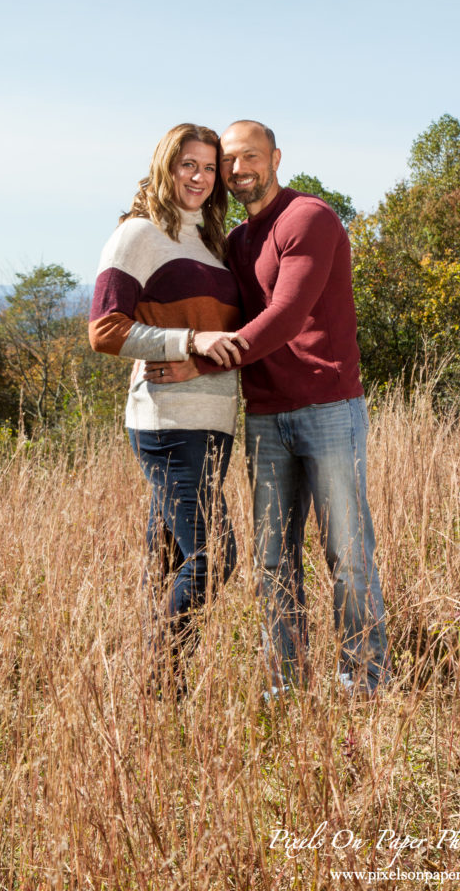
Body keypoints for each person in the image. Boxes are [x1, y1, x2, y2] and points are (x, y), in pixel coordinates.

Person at [148, 120, 391, 697]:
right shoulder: (236, 242)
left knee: (347, 553)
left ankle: (364, 679)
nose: (236, 171)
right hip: (264, 415)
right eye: (227, 162)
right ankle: (287, 682)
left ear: (276, 157)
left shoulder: (309, 218)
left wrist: (197, 363)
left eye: (249, 157)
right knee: (274, 558)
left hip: (327, 406)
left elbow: (284, 317)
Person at [89, 123, 247, 696]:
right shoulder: (137, 234)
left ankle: (158, 710)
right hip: (165, 422)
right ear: (165, 166)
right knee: (213, 556)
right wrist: (186, 342)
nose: (199, 177)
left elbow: (226, 338)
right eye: (188, 165)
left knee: (171, 558)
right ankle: (160, 681)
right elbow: (105, 331)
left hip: (214, 421)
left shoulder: (211, 244)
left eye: (209, 168)